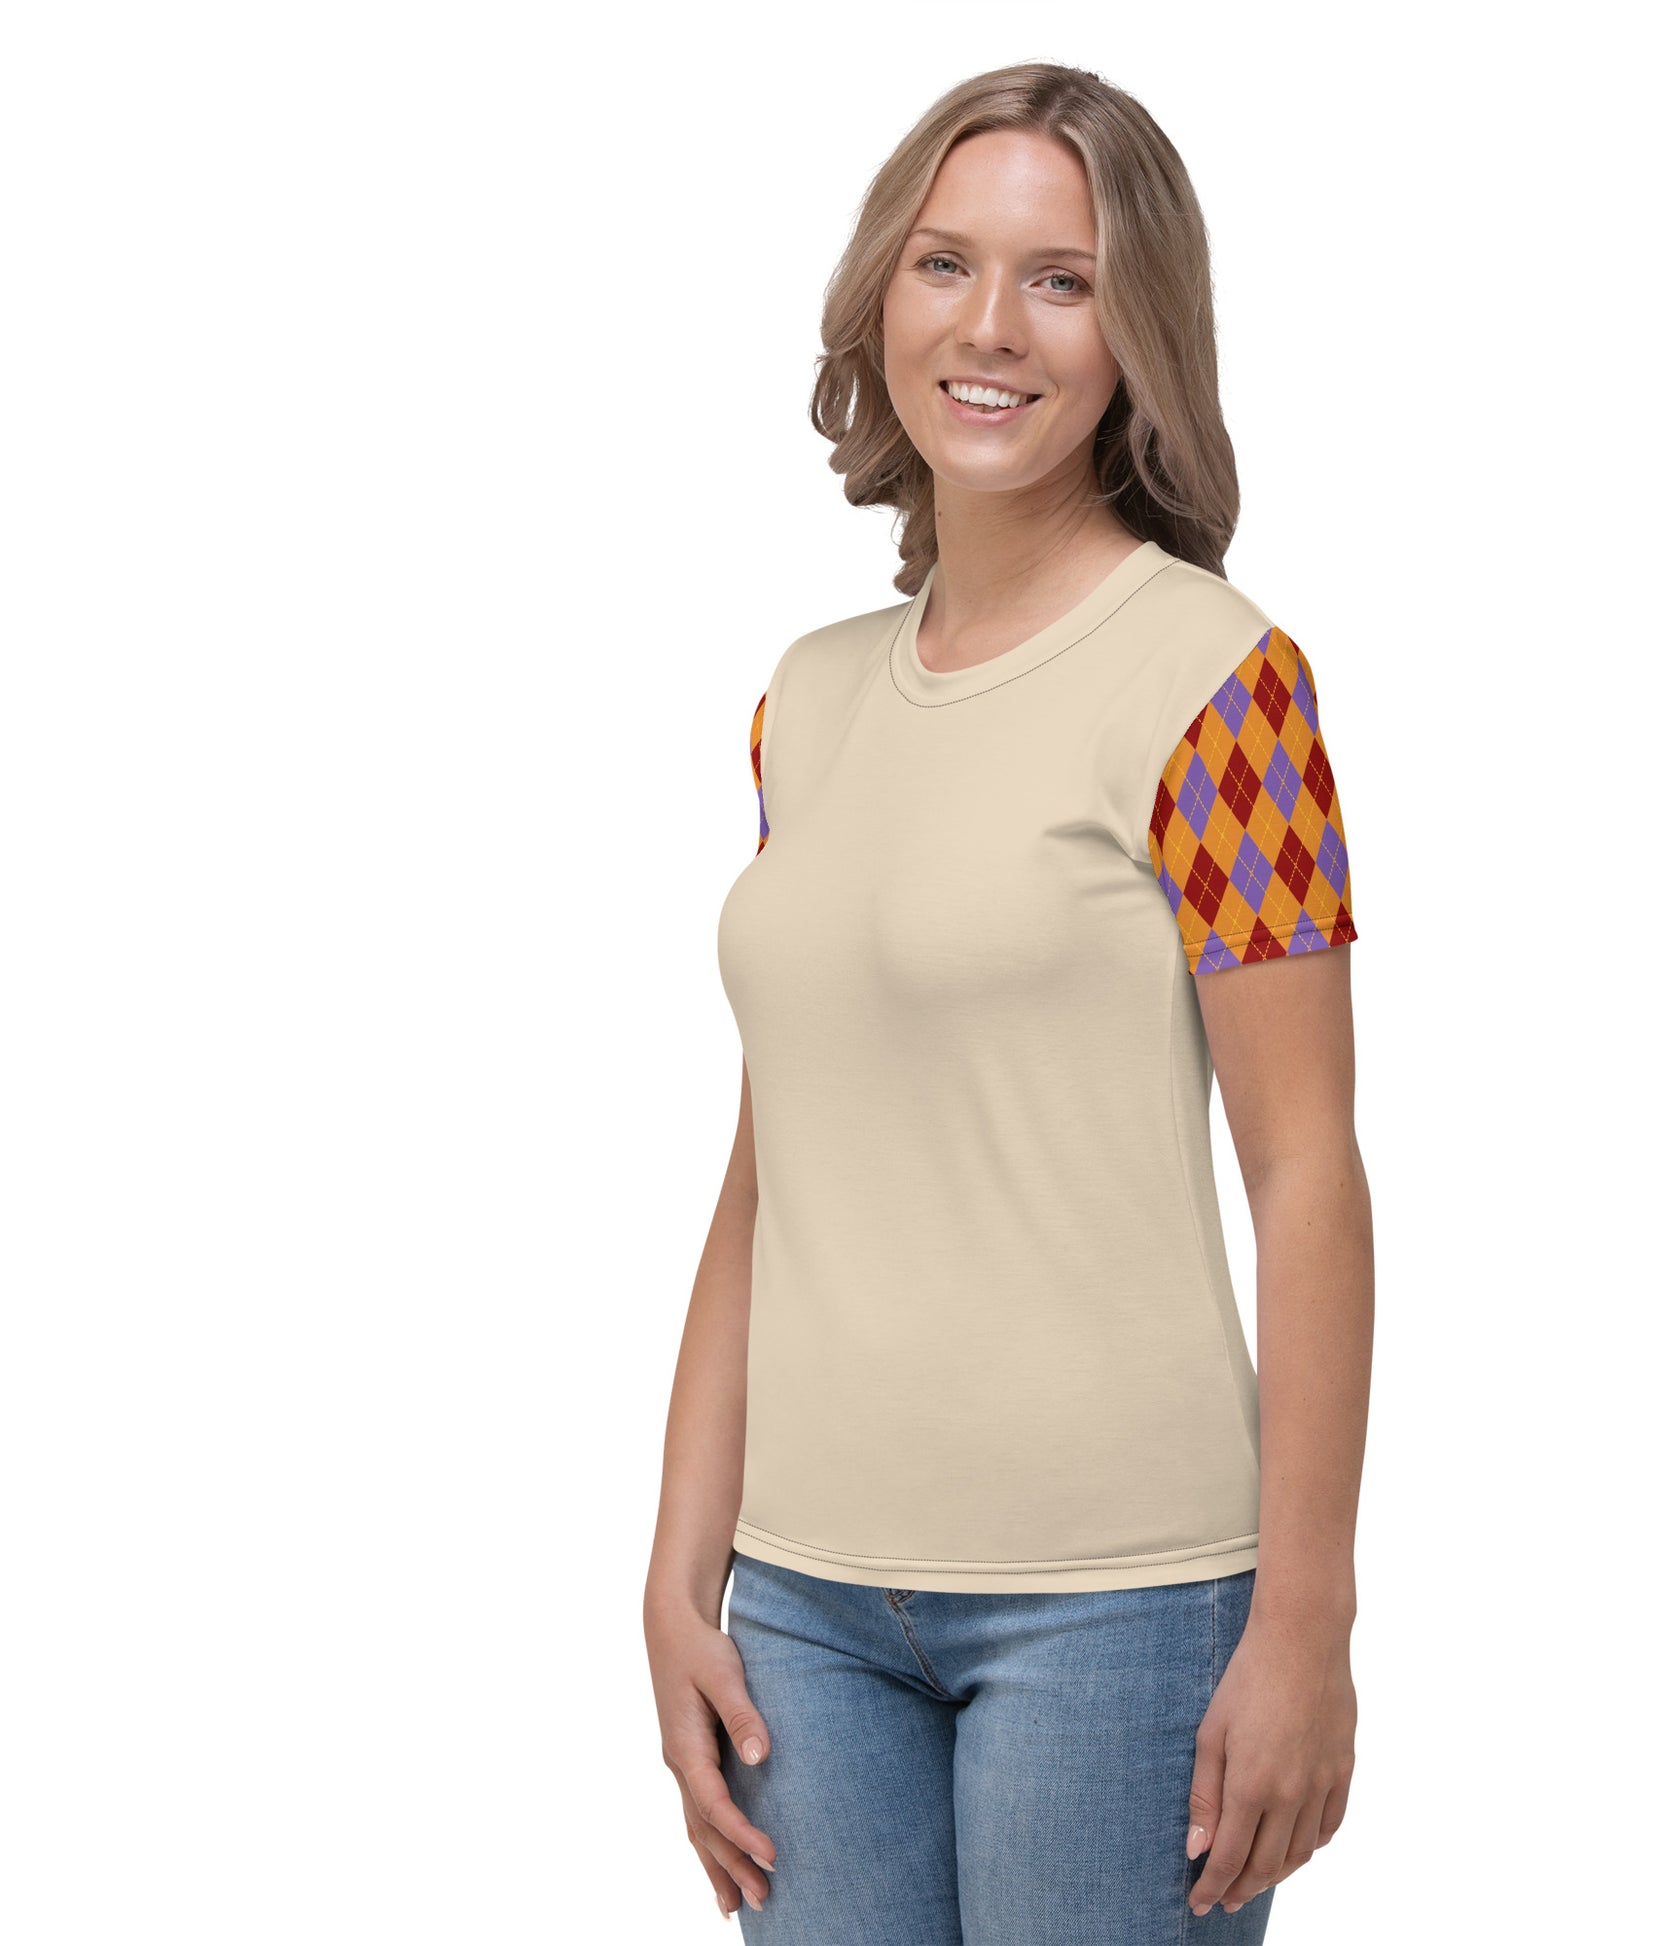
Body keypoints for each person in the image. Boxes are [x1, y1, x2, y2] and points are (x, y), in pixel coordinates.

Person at [643, 61, 1374, 1944]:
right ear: (879, 293)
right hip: (802, 1611)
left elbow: (1305, 1169)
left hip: (1118, 1608)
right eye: (944, 262)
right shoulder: (808, 699)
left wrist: (1304, 1620)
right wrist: (677, 1565)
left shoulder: (1220, 684)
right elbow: (769, 1173)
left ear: (1139, 334)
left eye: (1062, 280)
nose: (989, 326)